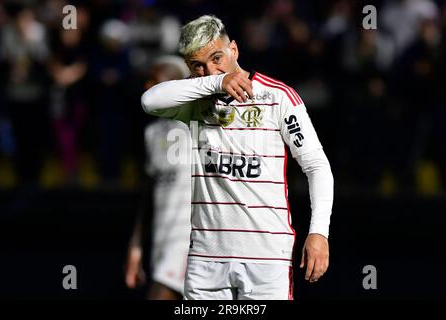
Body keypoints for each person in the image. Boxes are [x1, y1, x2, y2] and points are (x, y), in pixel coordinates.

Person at [141, 15, 334, 300]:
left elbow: (316, 165)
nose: (209, 70)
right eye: (198, 65)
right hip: (205, 259)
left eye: (217, 58)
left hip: (266, 258)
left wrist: (319, 232)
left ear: (234, 50)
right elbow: (149, 100)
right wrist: (217, 82)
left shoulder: (277, 97)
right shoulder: (194, 102)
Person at [125, 56, 192, 299]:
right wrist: (136, 246)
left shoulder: (199, 124)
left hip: (191, 241)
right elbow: (149, 194)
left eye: (154, 80)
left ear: (173, 85)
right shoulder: (152, 133)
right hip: (162, 241)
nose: (146, 86)